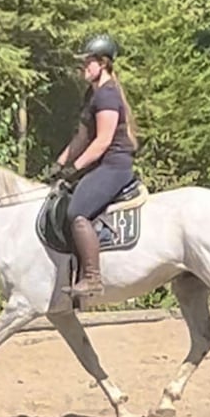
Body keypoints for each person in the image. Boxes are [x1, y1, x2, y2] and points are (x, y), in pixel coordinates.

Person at [52, 33, 139, 298]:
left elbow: (102, 142)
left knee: (77, 211)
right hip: (101, 165)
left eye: (88, 62)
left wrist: (74, 168)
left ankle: (92, 278)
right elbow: (81, 137)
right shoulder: (93, 94)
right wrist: (58, 164)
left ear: (102, 63)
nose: (83, 67)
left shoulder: (108, 95)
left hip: (115, 166)